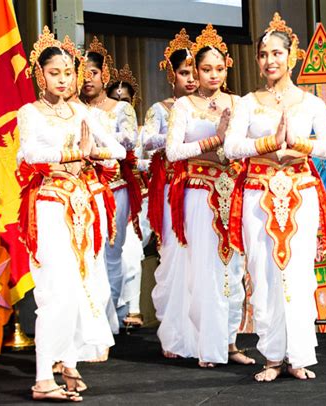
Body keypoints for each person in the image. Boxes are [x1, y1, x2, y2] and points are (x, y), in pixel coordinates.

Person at [224, 13, 326, 381]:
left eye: (276, 53)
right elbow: (231, 146)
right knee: (263, 273)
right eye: (262, 54)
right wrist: (270, 143)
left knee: (299, 274)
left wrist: (296, 144)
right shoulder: (246, 102)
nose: (269, 60)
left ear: (291, 56)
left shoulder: (311, 103)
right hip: (259, 193)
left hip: (299, 194)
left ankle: (299, 356)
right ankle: (272, 357)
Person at [17, 27, 125, 401]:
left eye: (67, 73)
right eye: (54, 73)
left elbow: (119, 151)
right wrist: (72, 155)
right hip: (50, 204)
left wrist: (93, 152)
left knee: (83, 287)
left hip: (83, 206)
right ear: (39, 75)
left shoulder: (82, 111)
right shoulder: (29, 112)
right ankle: (43, 378)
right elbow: (28, 155)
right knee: (55, 290)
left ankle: (69, 363)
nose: (62, 80)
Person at [164, 24, 255, 367]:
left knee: (235, 269)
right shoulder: (184, 106)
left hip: (235, 191)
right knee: (205, 269)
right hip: (200, 193)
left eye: (219, 68)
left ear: (228, 66)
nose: (213, 75)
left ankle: (230, 343)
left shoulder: (239, 102)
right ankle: (207, 346)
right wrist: (215, 140)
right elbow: (173, 152)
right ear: (195, 71)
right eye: (205, 69)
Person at [142, 29, 197, 356]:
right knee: (173, 261)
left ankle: (201, 331)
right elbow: (145, 142)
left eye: (195, 72)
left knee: (199, 261)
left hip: (204, 190)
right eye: (184, 73)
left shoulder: (211, 105)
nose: (190, 79)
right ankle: (173, 334)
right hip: (172, 187)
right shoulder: (160, 110)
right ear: (171, 75)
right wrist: (177, 139)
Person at [80, 38, 141, 329]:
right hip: (82, 189)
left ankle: (110, 316)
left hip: (114, 187)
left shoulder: (120, 109)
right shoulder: (75, 109)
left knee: (112, 252)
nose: (86, 78)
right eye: (81, 73)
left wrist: (94, 144)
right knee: (88, 253)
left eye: (92, 72)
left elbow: (128, 140)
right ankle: (92, 319)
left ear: (105, 74)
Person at [107, 64, 148, 328]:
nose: (121, 104)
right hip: (110, 190)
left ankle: (131, 309)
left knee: (130, 251)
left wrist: (138, 165)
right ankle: (114, 312)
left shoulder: (142, 133)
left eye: (125, 101)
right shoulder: (101, 124)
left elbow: (150, 161)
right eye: (116, 100)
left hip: (139, 198)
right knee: (111, 253)